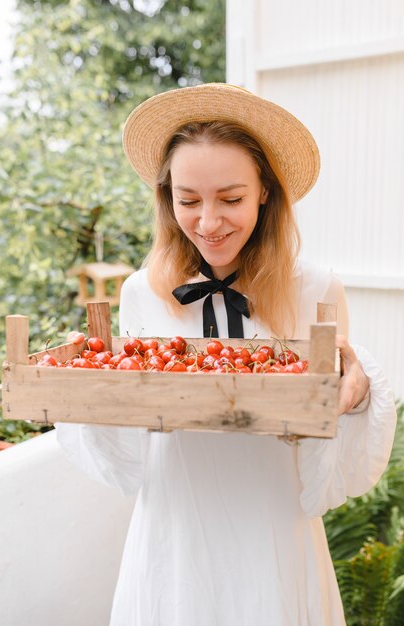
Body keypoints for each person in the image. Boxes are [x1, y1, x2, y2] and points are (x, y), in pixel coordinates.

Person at [56, 83, 397, 626]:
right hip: (176, 522)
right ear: (167, 198)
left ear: (265, 192)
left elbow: (334, 415)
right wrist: (86, 384)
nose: (208, 222)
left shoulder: (318, 289)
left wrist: (354, 397)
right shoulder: (141, 292)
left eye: (231, 199)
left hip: (272, 523)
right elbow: (128, 444)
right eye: (188, 200)